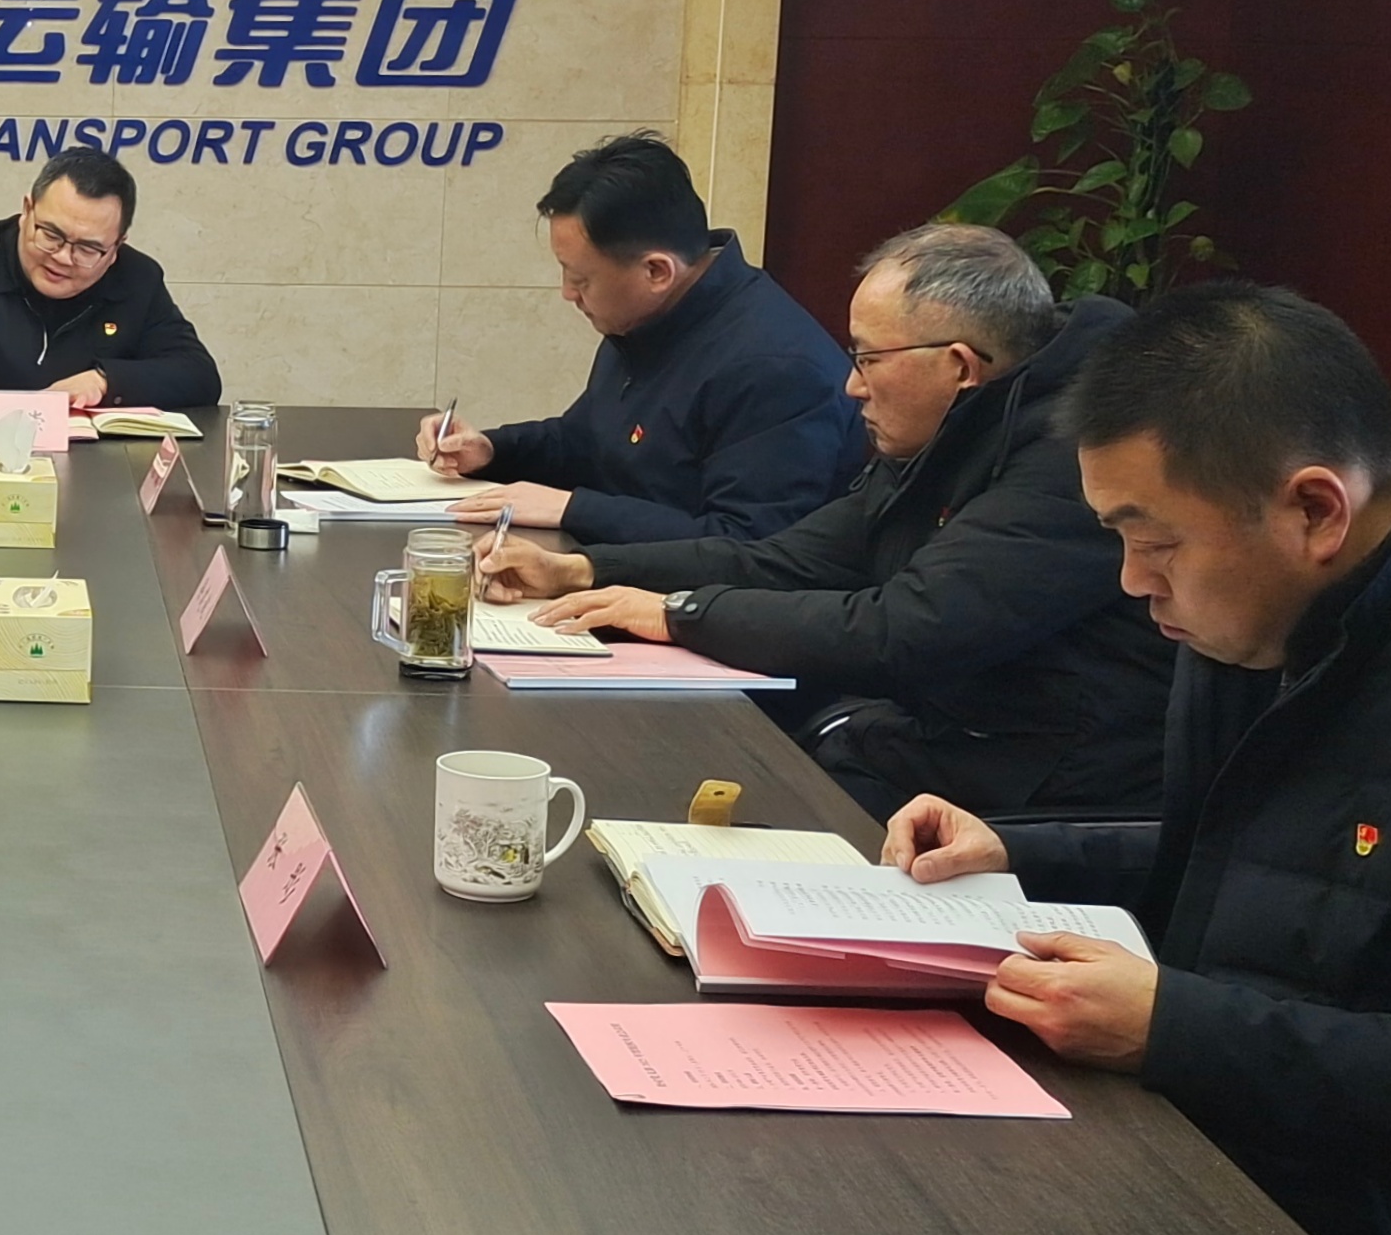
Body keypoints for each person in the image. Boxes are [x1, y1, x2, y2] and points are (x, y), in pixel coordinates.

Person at [882, 283, 1391, 1235]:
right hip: (1203, 1153)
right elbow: (1273, 866)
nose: (1131, 583)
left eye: (1155, 542)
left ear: (1314, 510)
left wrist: (1175, 1026)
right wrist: (1024, 852)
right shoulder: (1270, 616)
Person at [482, 224, 1171, 818]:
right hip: (939, 743)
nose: (852, 386)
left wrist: (678, 614)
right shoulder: (955, 424)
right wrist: (585, 569)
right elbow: (788, 559)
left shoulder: (1072, 456)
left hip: (1040, 791)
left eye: (868, 359)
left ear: (959, 366)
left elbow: (905, 629)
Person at [418, 132, 862, 541]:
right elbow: (585, 441)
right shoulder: (649, 318)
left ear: (656, 271)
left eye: (581, 279)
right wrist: (490, 451)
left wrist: (574, 509)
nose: (567, 293)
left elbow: (746, 543)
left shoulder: (775, 368)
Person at [0, 147, 220, 422]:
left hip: (93, 471)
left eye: (88, 248)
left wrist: (102, 381)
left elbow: (198, 373)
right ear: (27, 210)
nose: (63, 257)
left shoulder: (137, 279)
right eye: (50, 234)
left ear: (116, 247)